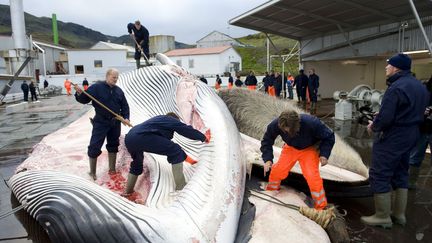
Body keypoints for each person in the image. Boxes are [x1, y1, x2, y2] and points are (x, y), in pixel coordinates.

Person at [361, 54, 429, 228]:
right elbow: (413, 110)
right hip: (412, 133)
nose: (386, 68)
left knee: (380, 173)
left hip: (394, 136)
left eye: (388, 65)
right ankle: (399, 215)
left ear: (396, 68)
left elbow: (386, 119)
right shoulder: (420, 86)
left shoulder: (396, 87)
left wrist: (374, 125)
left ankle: (382, 216)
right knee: (400, 172)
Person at [261, 110, 335, 210]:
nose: (286, 132)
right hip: (290, 148)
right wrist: (268, 159)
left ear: (297, 125)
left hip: (309, 149)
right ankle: (272, 191)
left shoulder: (312, 123)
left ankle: (321, 207)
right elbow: (267, 140)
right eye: (284, 131)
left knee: (312, 177)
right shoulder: (276, 124)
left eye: (289, 130)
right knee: (278, 170)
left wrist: (324, 154)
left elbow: (329, 136)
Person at [123, 112, 211, 196]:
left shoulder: (159, 120)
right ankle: (181, 187)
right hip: (141, 137)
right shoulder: (170, 119)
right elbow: (186, 130)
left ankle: (128, 192)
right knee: (175, 150)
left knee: (137, 164)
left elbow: (165, 144)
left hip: (130, 138)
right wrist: (203, 137)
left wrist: (188, 159)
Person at [74, 68, 130, 180]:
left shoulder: (119, 91)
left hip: (115, 122)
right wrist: (79, 93)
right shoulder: (96, 87)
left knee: (113, 145)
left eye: (117, 77)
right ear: (107, 76)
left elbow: (125, 106)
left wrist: (126, 118)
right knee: (94, 146)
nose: (116, 79)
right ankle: (92, 172)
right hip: (100, 121)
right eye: (114, 77)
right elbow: (84, 99)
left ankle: (112, 169)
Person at [408, 75, 432, 189]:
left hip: (424, 128)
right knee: (415, 158)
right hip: (422, 129)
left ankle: (410, 183)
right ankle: (410, 183)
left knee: (415, 158)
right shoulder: (424, 90)